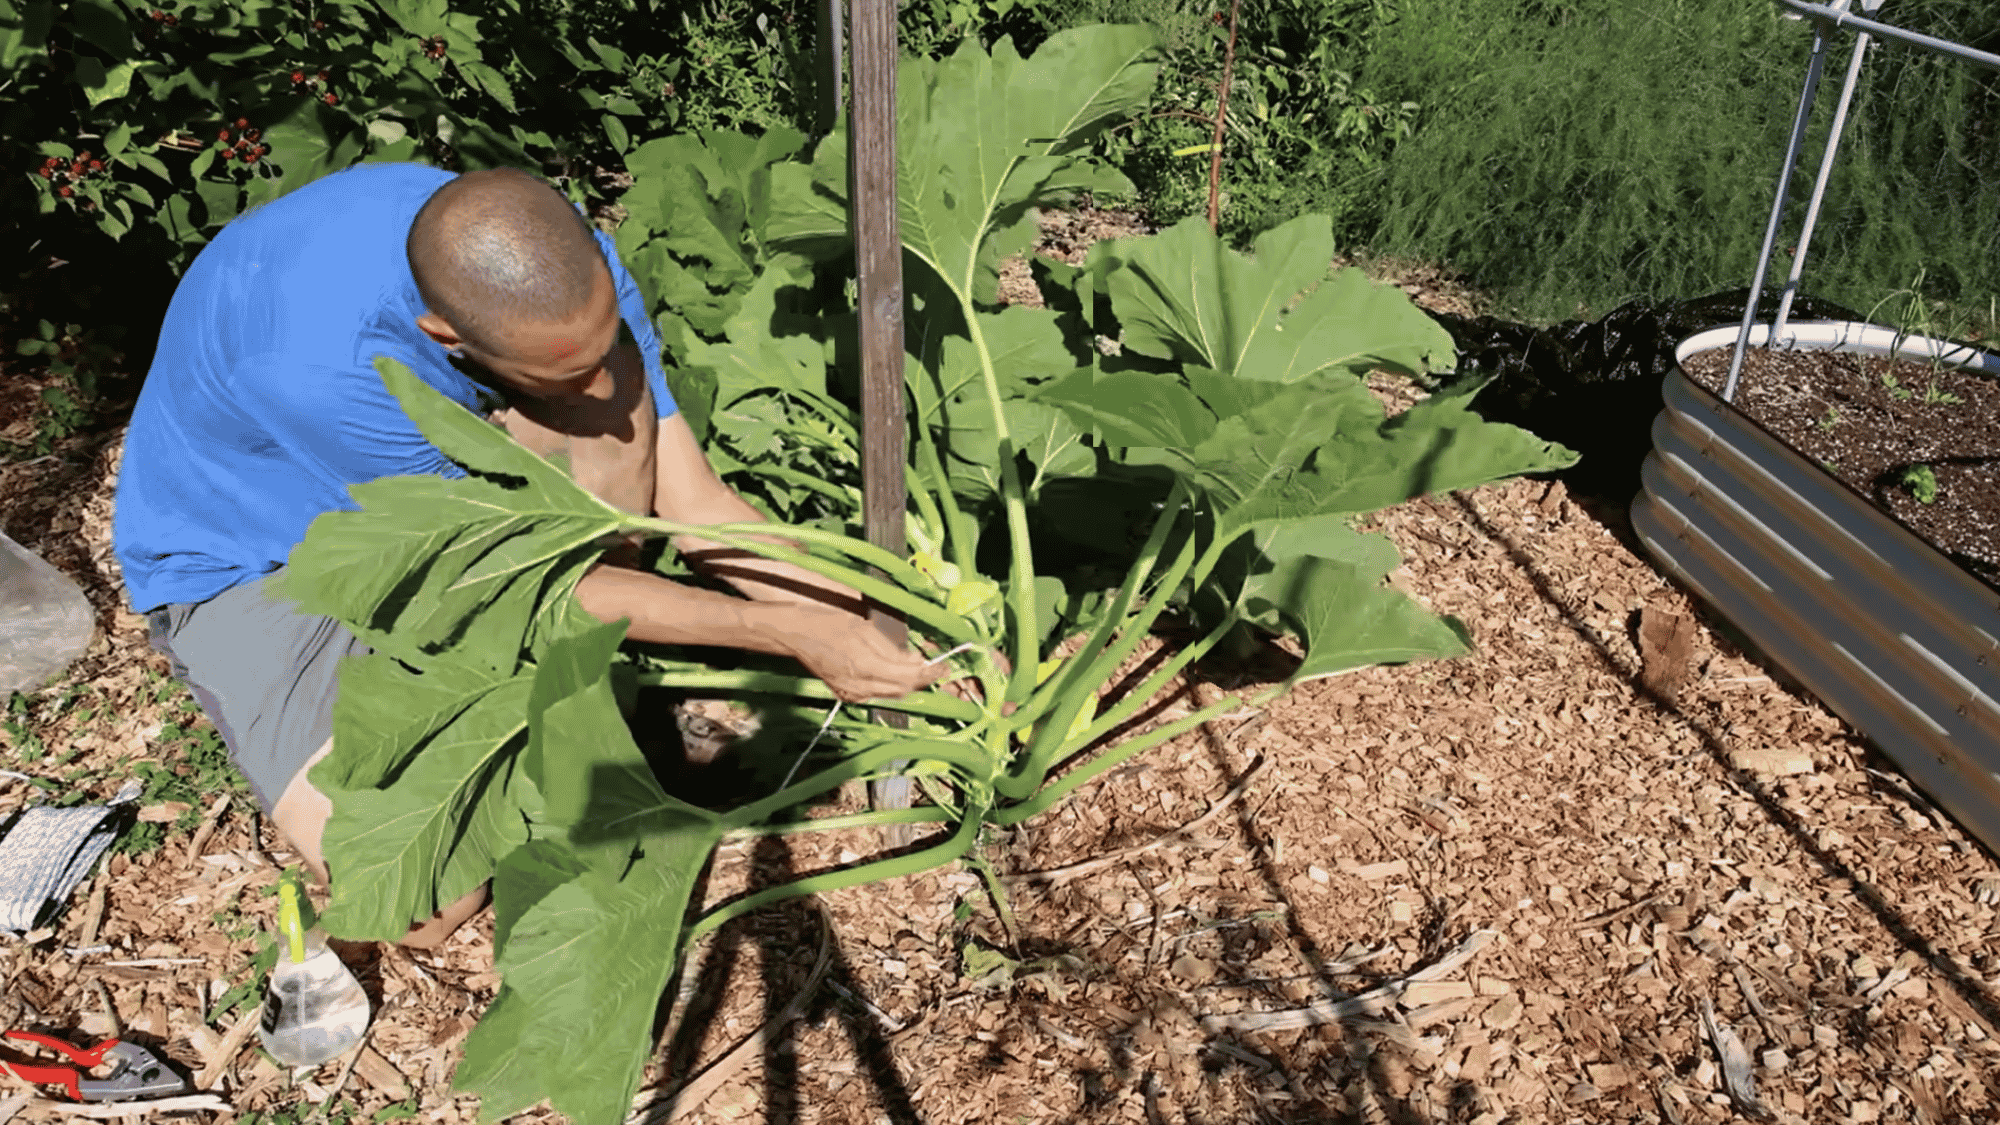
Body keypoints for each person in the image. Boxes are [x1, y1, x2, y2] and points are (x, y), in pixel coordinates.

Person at [113, 163, 945, 946]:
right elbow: (521, 585)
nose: (596, 399)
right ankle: (578, 700)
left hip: (432, 512)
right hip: (256, 562)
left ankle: (588, 681)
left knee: (611, 425)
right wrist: (790, 634)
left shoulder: (565, 273)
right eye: (561, 378)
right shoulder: (320, 367)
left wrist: (874, 629)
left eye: (597, 349)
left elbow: (695, 510)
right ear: (445, 336)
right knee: (425, 899)